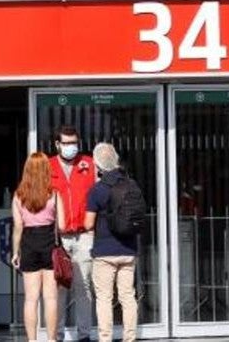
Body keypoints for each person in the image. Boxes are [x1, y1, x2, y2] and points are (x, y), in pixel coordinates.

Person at [85, 143, 140, 342]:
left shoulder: (97, 190)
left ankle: (105, 338)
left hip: (104, 252)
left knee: (104, 298)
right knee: (128, 296)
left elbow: (88, 223)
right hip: (128, 249)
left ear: (97, 165)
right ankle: (130, 338)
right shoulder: (131, 184)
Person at [50, 125, 97, 341]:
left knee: (84, 285)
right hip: (58, 238)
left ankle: (84, 334)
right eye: (66, 143)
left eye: (74, 143)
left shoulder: (89, 164)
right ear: (57, 144)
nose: (71, 147)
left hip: (84, 234)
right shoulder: (48, 167)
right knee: (58, 287)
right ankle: (57, 334)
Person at [13, 152, 67, 342]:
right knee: (50, 298)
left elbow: (18, 226)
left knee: (30, 298)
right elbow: (61, 226)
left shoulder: (19, 195)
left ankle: (32, 339)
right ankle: (51, 339)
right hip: (49, 244)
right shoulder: (53, 193)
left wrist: (15, 252)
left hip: (28, 244)